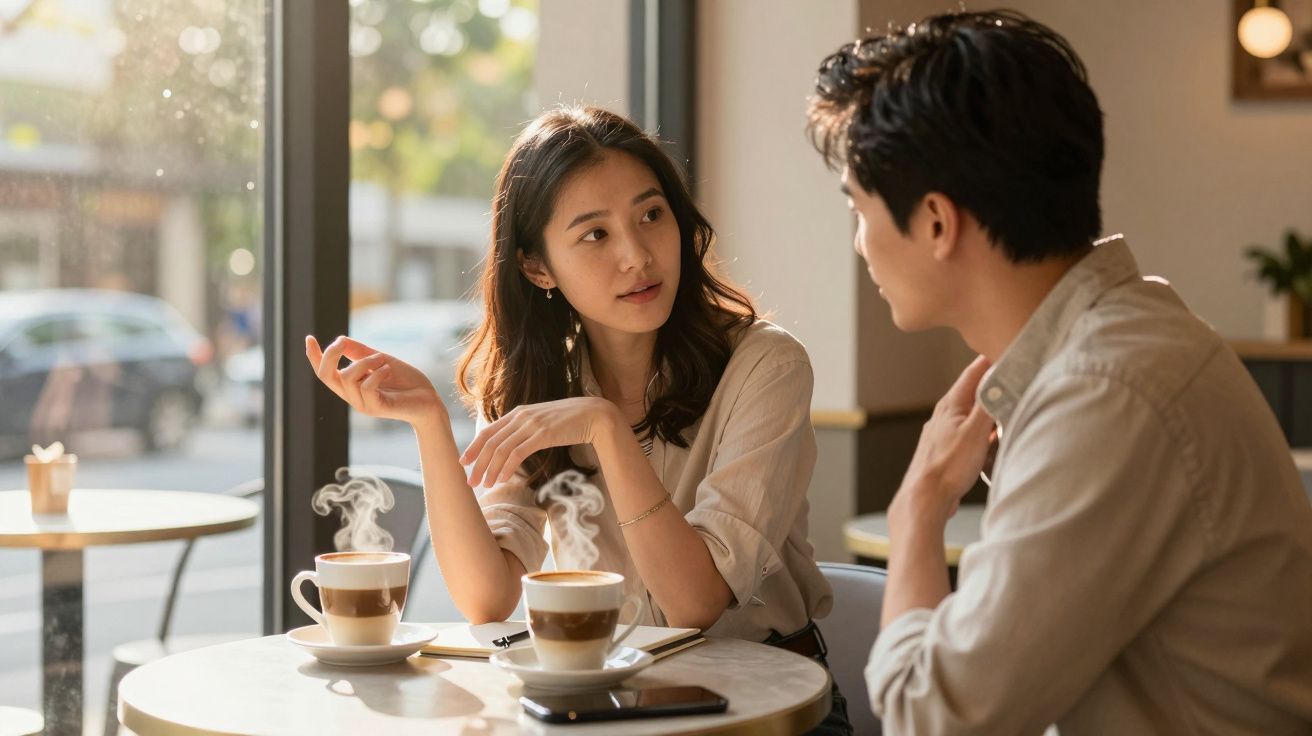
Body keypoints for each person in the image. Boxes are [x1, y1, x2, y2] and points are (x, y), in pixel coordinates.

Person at [807, 9, 1312, 734]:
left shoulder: (1106, 392)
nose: (859, 244)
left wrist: (918, 506)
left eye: (858, 207)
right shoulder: (1124, 341)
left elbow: (933, 718)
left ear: (937, 223)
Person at [307, 106, 852, 733]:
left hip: (769, 709)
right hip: (610, 707)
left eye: (652, 215)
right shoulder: (542, 385)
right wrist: (429, 422)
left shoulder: (766, 364)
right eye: (595, 234)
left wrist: (606, 431)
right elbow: (488, 597)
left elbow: (695, 601)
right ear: (538, 268)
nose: (637, 255)